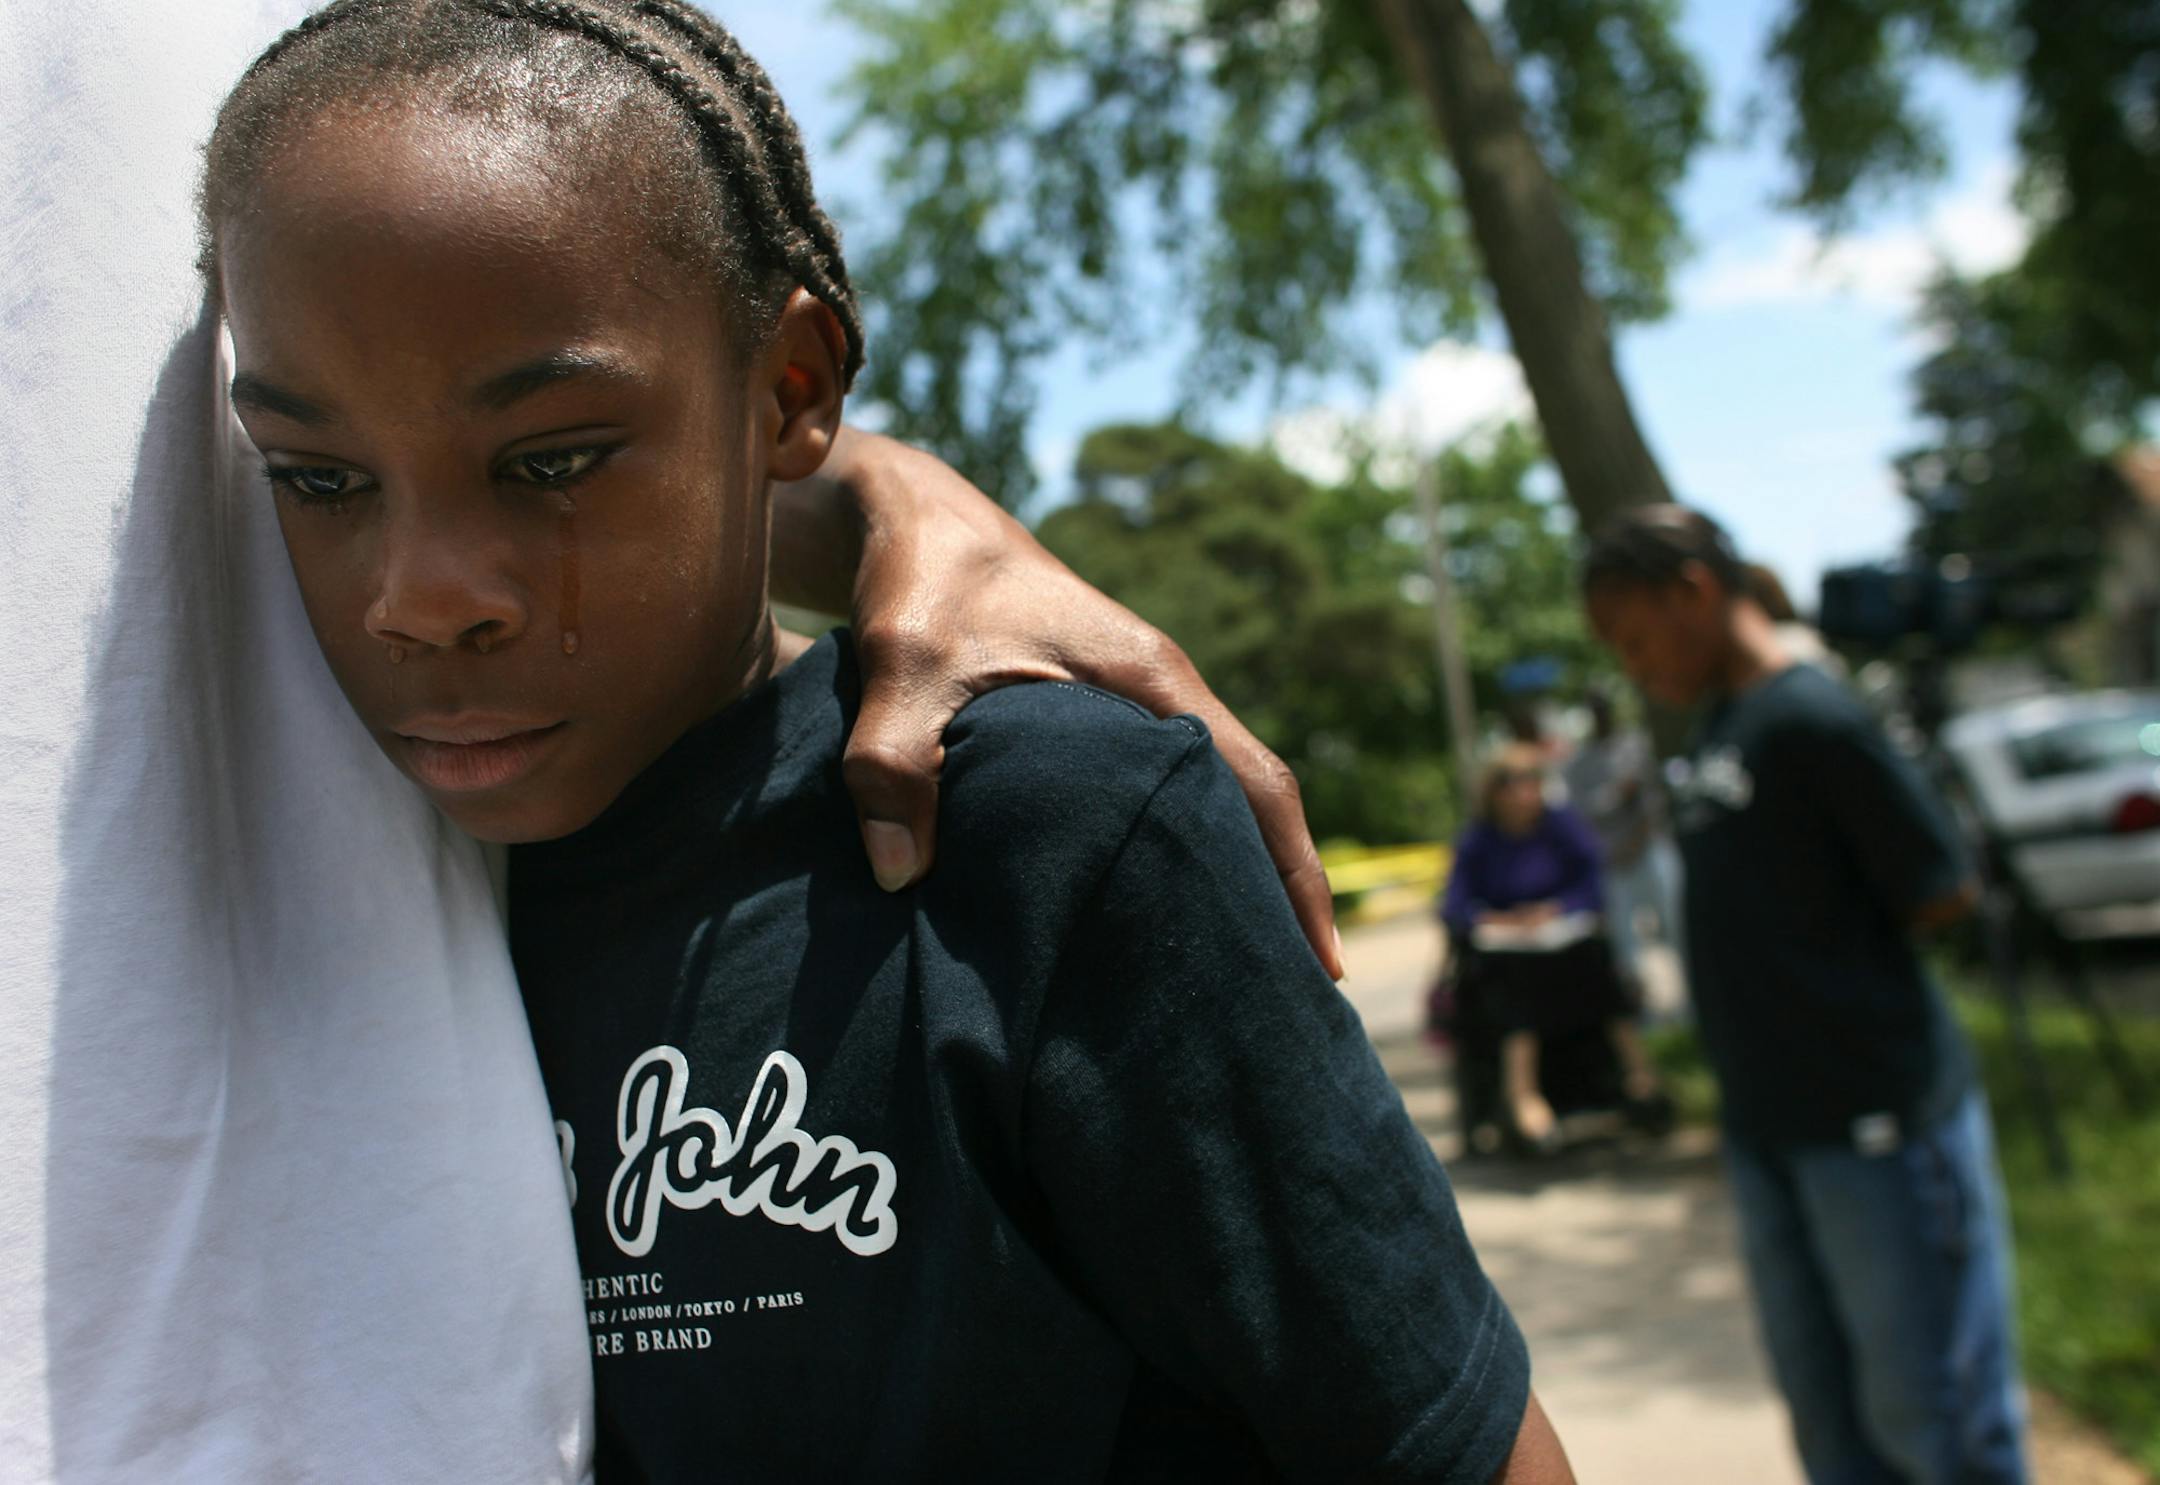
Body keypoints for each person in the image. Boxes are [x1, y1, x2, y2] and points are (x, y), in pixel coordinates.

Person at [196, 2, 1575, 1481]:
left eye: (552, 461)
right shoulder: (324, 868)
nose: (424, 599)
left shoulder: (1039, 833)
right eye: (317, 479)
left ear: (792, 389)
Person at [1583, 505, 2026, 1485]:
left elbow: (1940, 886)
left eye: (1635, 637)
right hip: (1771, 1128)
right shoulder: (1724, 724)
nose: (1632, 665)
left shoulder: (1813, 716)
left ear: (1693, 592)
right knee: (1834, 1429)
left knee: (1934, 1424)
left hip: (1875, 1126)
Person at [1442, 746, 1669, 1154]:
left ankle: (1640, 1080)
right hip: (1508, 959)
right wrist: (1494, 919)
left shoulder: (1562, 826)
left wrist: (1556, 910)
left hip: (1567, 948)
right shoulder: (1478, 841)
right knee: (1520, 994)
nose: (1523, 795)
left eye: (1530, 784)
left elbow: (1591, 884)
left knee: (1600, 974)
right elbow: (1455, 905)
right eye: (1512, 786)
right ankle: (1525, 1099)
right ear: (1494, 794)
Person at [1561, 687, 1683, 996]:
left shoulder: (1634, 745)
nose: (1601, 715)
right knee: (1624, 941)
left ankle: (1690, 1003)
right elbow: (1582, 812)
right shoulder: (1578, 763)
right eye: (1594, 709)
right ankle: (1636, 1006)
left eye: (1604, 708)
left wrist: (1637, 836)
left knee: (1675, 923)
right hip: (1610, 859)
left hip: (1649, 847)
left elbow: (1651, 799)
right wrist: (1617, 795)